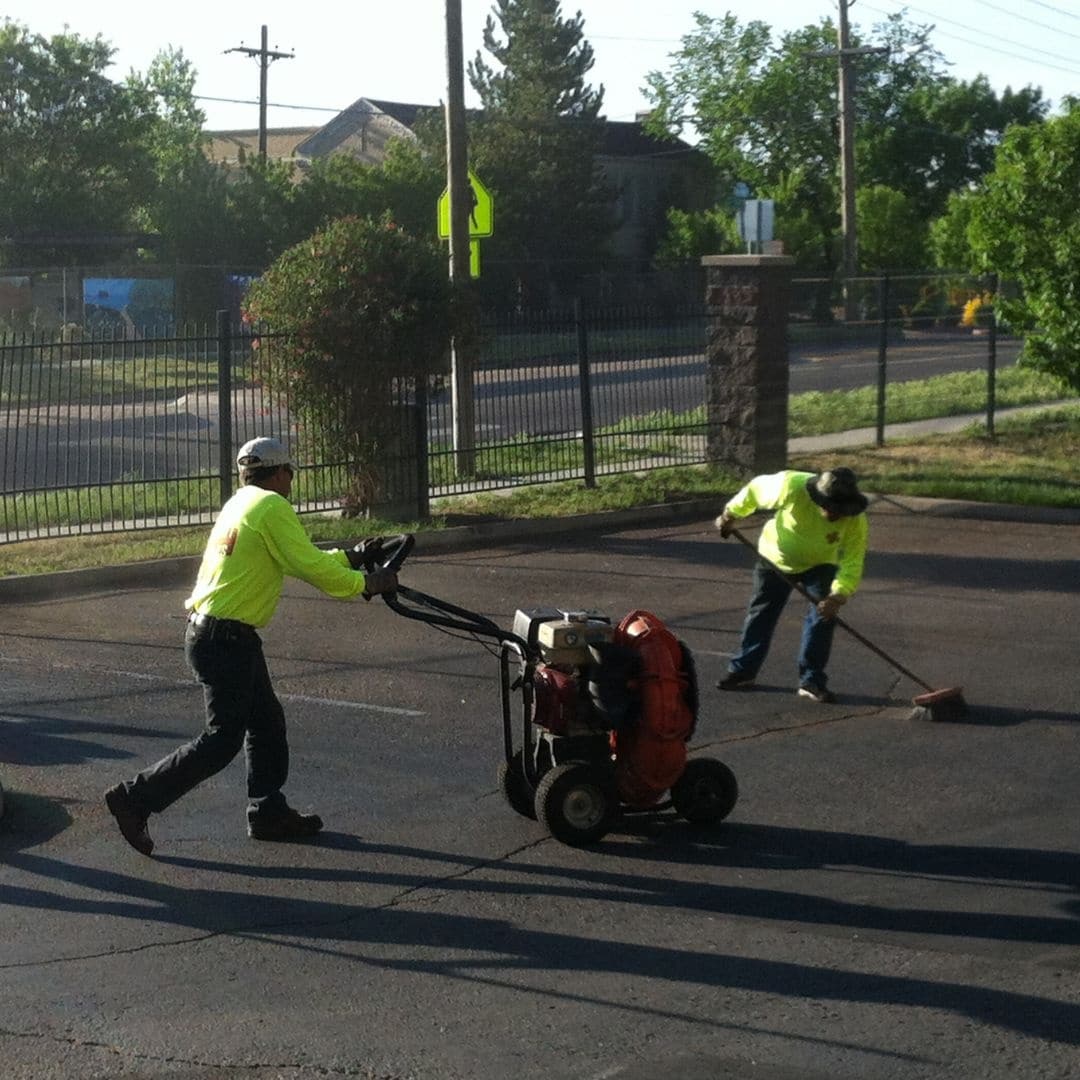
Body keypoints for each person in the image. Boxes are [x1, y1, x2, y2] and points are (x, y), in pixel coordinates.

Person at [104, 436, 398, 856]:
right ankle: (135, 797)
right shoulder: (272, 506)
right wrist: (365, 584)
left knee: (266, 722)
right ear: (280, 473)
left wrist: (351, 558)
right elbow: (308, 566)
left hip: (216, 633)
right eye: (290, 472)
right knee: (222, 740)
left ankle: (268, 811)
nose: (291, 480)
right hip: (226, 638)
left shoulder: (241, 504)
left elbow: (297, 556)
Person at [715, 467, 869, 704]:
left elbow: (852, 560)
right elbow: (755, 491)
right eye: (830, 507)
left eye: (840, 510)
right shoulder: (791, 486)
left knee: (823, 618)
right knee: (762, 613)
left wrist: (838, 596)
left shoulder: (855, 519)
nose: (834, 515)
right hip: (775, 559)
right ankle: (743, 670)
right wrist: (731, 514)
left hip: (821, 565)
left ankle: (811, 680)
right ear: (819, 498)